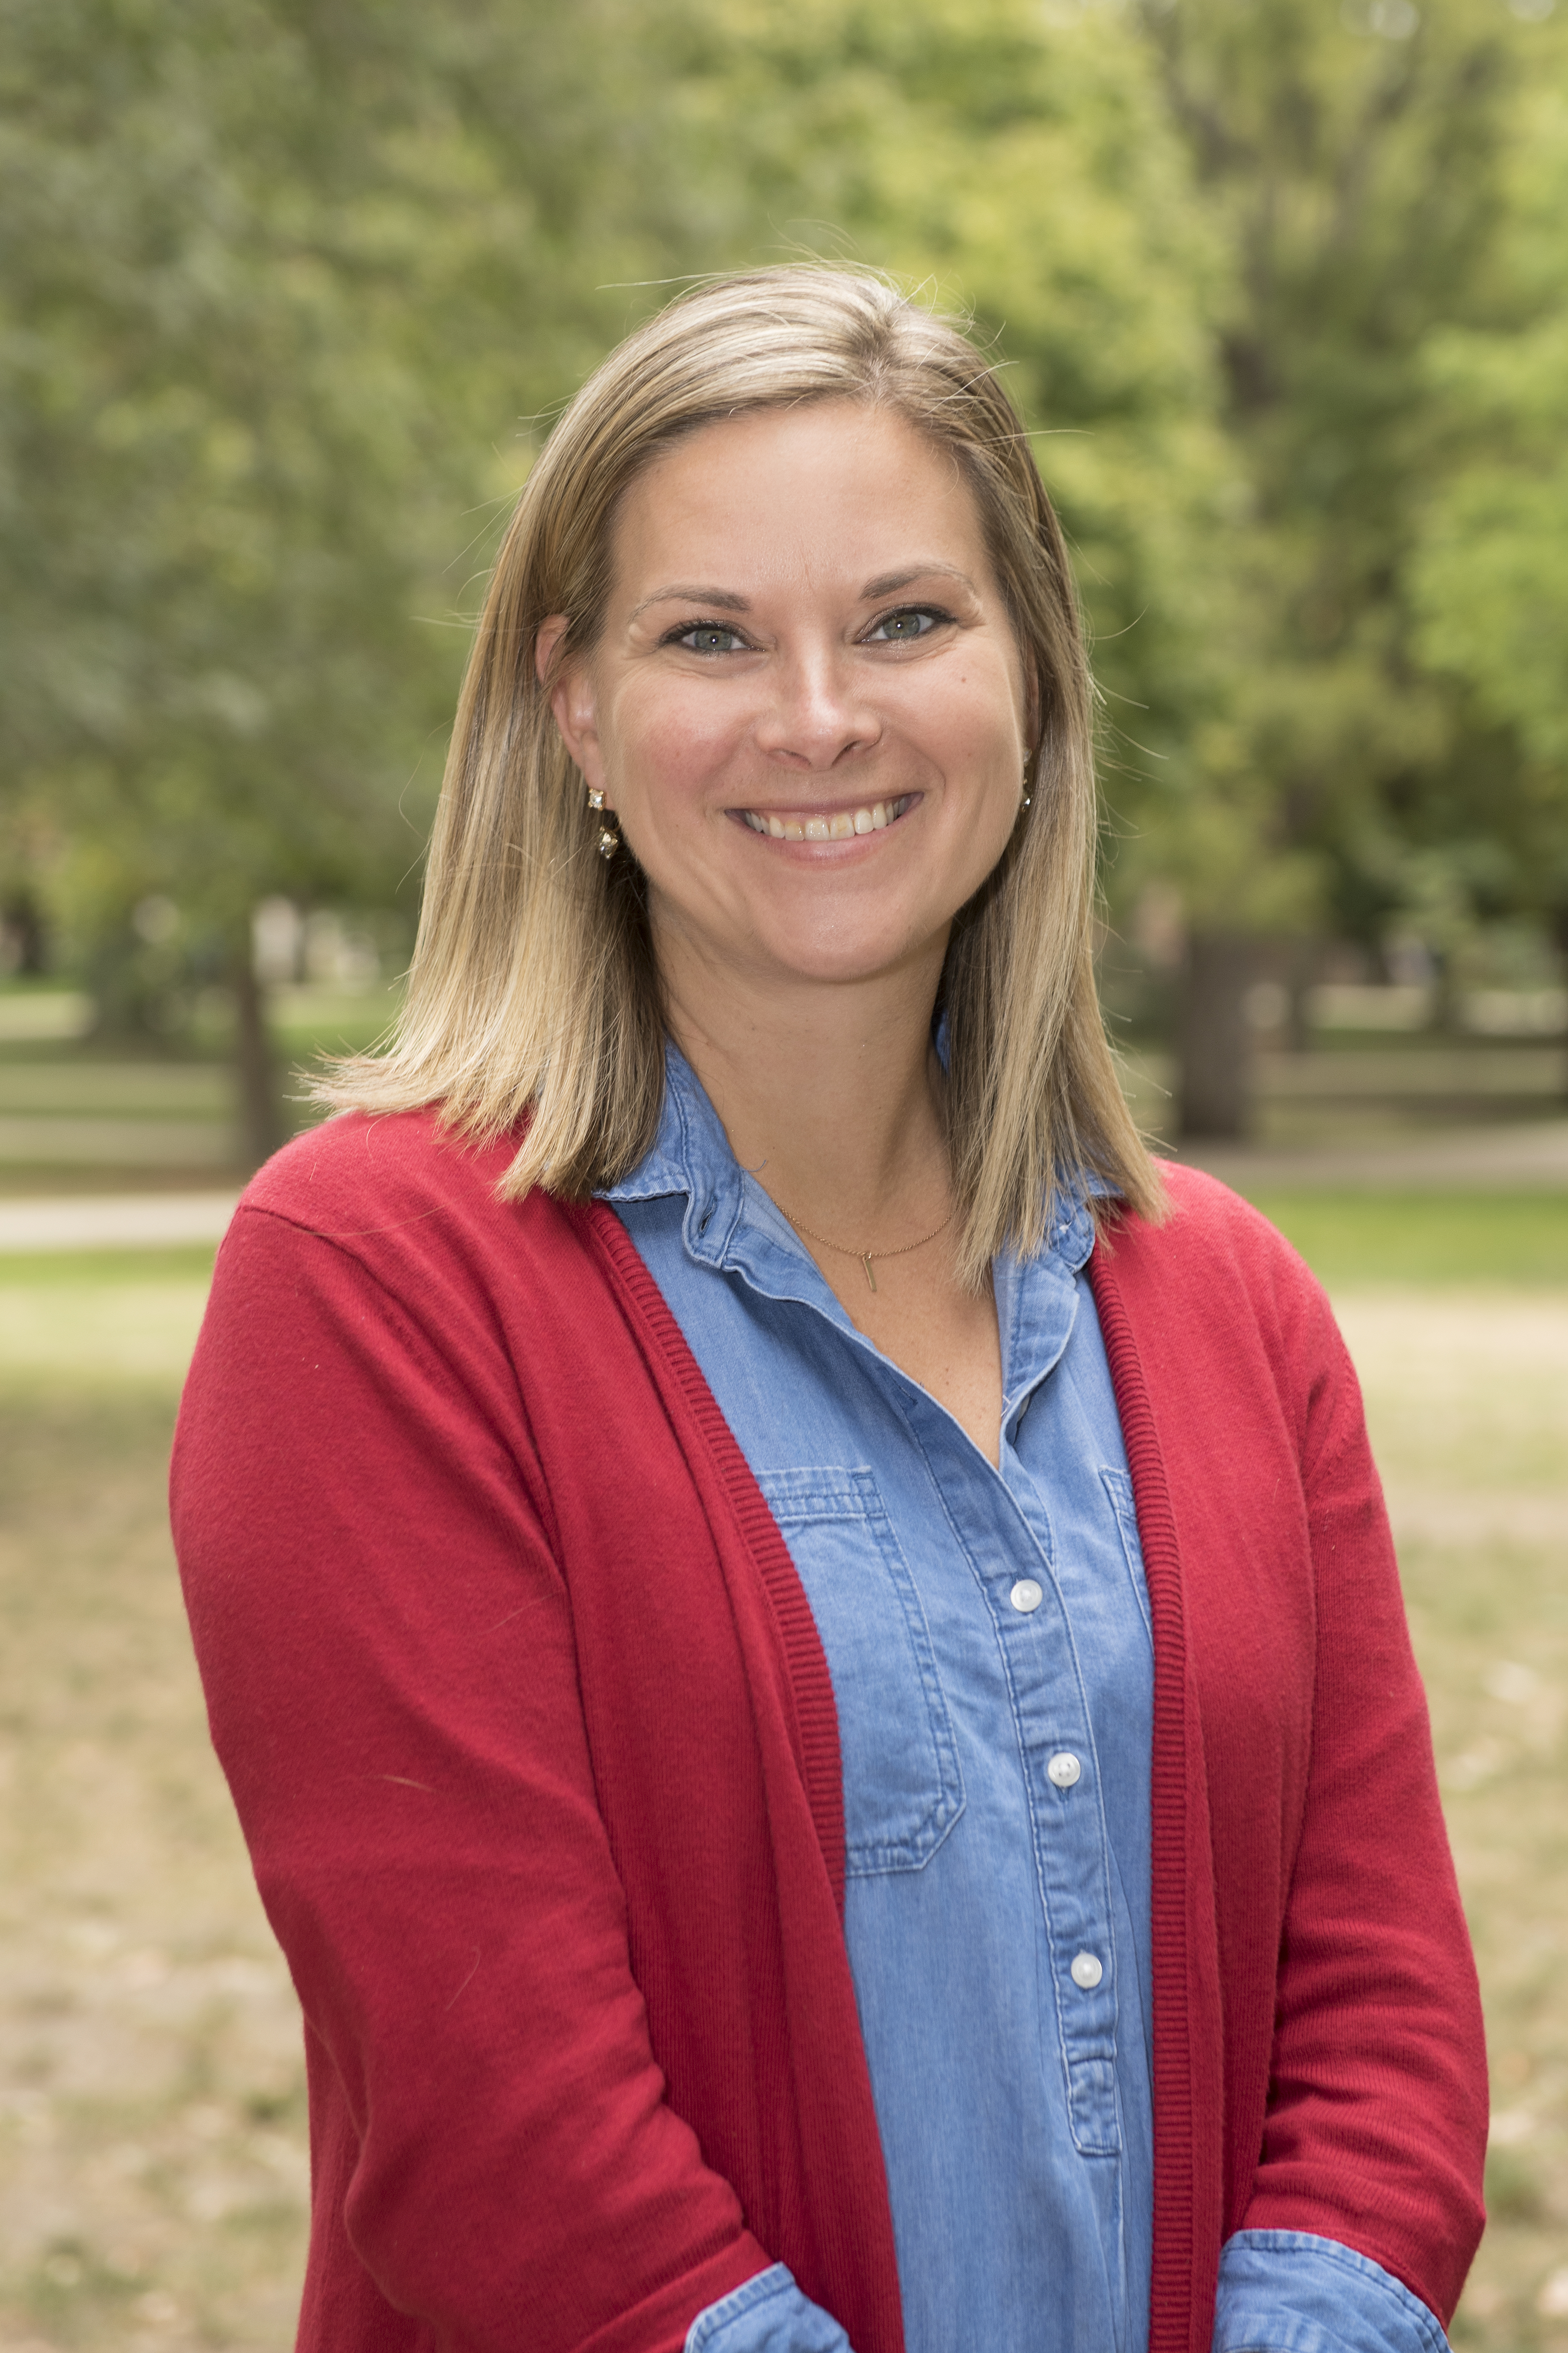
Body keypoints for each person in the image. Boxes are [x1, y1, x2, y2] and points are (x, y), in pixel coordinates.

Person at [171, 268, 1486, 2353]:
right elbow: (495, 2117)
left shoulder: (1231, 1304)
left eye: (903, 620)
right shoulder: (377, 1284)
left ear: (1034, 681)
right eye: (710, 635)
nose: (817, 716)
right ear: (573, 708)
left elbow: (1383, 2014)